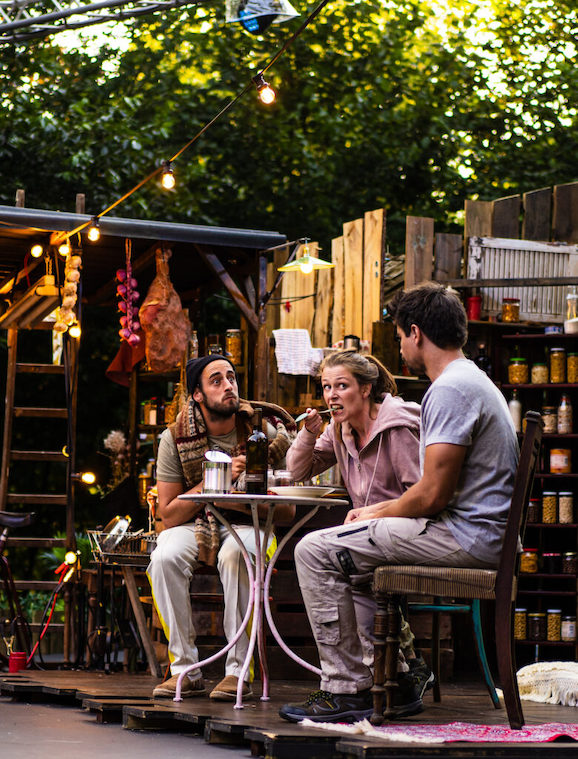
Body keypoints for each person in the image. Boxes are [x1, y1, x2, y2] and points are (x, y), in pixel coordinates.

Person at [279, 283, 519, 723]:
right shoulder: (470, 381)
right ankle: (400, 680)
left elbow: (431, 495)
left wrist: (372, 512)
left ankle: (347, 689)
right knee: (346, 557)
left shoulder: (450, 390)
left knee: (313, 550)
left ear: (415, 333)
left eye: (400, 337)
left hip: (468, 537)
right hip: (480, 534)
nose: (401, 347)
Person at [147, 355, 296, 701]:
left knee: (236, 556)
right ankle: (185, 670)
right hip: (195, 522)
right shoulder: (175, 438)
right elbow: (169, 514)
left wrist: (231, 499)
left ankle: (238, 671)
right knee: (164, 557)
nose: (229, 385)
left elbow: (286, 510)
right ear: (197, 394)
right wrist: (217, 481)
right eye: (216, 380)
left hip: (250, 521)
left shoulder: (262, 433)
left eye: (231, 377)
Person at [286, 350, 426, 681]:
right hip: (367, 532)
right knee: (338, 564)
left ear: (365, 389)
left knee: (326, 558)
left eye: (341, 386)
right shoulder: (340, 429)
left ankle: (373, 672)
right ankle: (394, 667)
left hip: (409, 529)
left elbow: (422, 495)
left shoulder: (396, 428)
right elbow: (297, 471)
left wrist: (373, 514)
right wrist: (308, 433)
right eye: (326, 387)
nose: (332, 395)